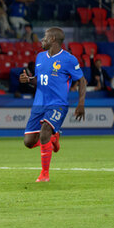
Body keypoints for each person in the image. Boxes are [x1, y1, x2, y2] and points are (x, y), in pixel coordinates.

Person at [19, 27, 87, 182]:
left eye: (45, 37)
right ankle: (53, 139)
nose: (42, 40)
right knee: (28, 142)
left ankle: (44, 174)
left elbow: (82, 80)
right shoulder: (40, 57)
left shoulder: (69, 59)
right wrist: (28, 80)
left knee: (44, 133)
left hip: (57, 104)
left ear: (53, 40)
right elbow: (39, 80)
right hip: (39, 104)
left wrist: (81, 103)